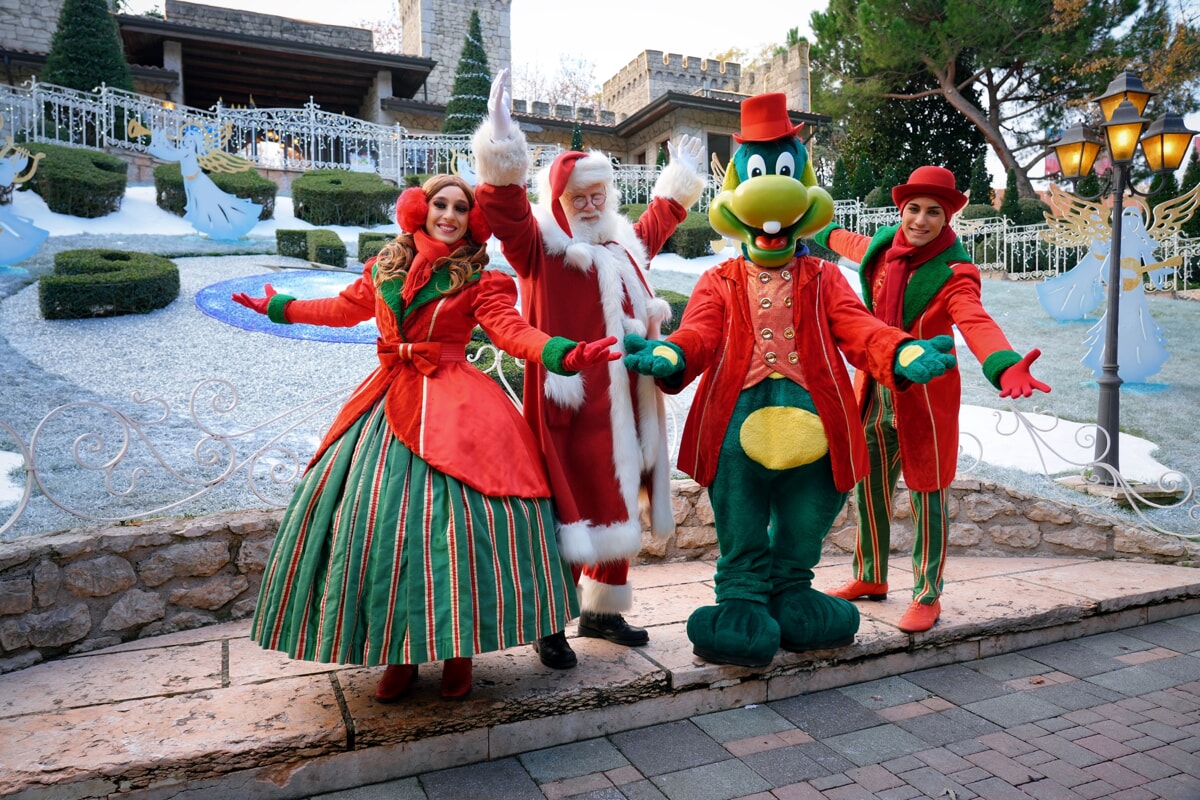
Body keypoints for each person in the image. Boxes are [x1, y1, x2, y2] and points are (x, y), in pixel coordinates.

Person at [234, 174, 619, 700]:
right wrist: (280, 307)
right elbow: (343, 310)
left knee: (456, 533)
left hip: (458, 405)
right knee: (383, 531)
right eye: (440, 204)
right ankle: (402, 657)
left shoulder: (483, 280)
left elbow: (511, 331)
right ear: (420, 208)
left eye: (461, 208)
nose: (450, 214)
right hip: (387, 399)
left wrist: (563, 354)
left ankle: (458, 655)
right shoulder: (385, 267)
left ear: (472, 220)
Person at [621, 92, 958, 668]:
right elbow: (698, 334)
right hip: (735, 425)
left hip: (819, 426)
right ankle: (744, 600)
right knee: (742, 521)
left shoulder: (824, 277)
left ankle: (792, 590)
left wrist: (900, 354)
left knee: (807, 521)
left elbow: (861, 330)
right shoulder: (719, 279)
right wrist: (671, 356)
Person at [470, 69, 707, 669]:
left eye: (599, 194)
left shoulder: (623, 243)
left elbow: (656, 223)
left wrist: (679, 184)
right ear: (560, 202)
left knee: (619, 496)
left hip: (627, 396)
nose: (592, 204)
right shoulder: (540, 250)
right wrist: (502, 146)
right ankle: (549, 619)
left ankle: (603, 609)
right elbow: (506, 214)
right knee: (567, 506)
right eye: (580, 197)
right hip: (569, 396)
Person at [814, 165, 1051, 633]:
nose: (920, 221)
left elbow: (974, 320)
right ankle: (870, 576)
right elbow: (842, 239)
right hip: (875, 389)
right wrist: (800, 209)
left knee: (928, 496)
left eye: (933, 213)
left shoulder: (956, 272)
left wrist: (1004, 363)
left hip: (924, 398)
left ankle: (927, 593)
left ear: (948, 219)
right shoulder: (882, 248)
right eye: (913, 210)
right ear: (902, 211)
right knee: (871, 490)